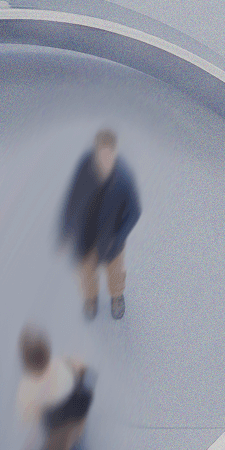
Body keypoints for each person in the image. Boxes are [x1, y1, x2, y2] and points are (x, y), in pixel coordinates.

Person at [60, 128, 142, 321]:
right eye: (100, 153)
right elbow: (73, 200)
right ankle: (91, 298)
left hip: (113, 242)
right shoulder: (84, 170)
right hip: (87, 240)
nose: (103, 159)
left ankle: (117, 296)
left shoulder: (124, 178)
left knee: (115, 273)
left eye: (108, 153)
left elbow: (134, 211)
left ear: (114, 152)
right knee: (86, 274)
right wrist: (67, 229)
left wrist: (119, 237)